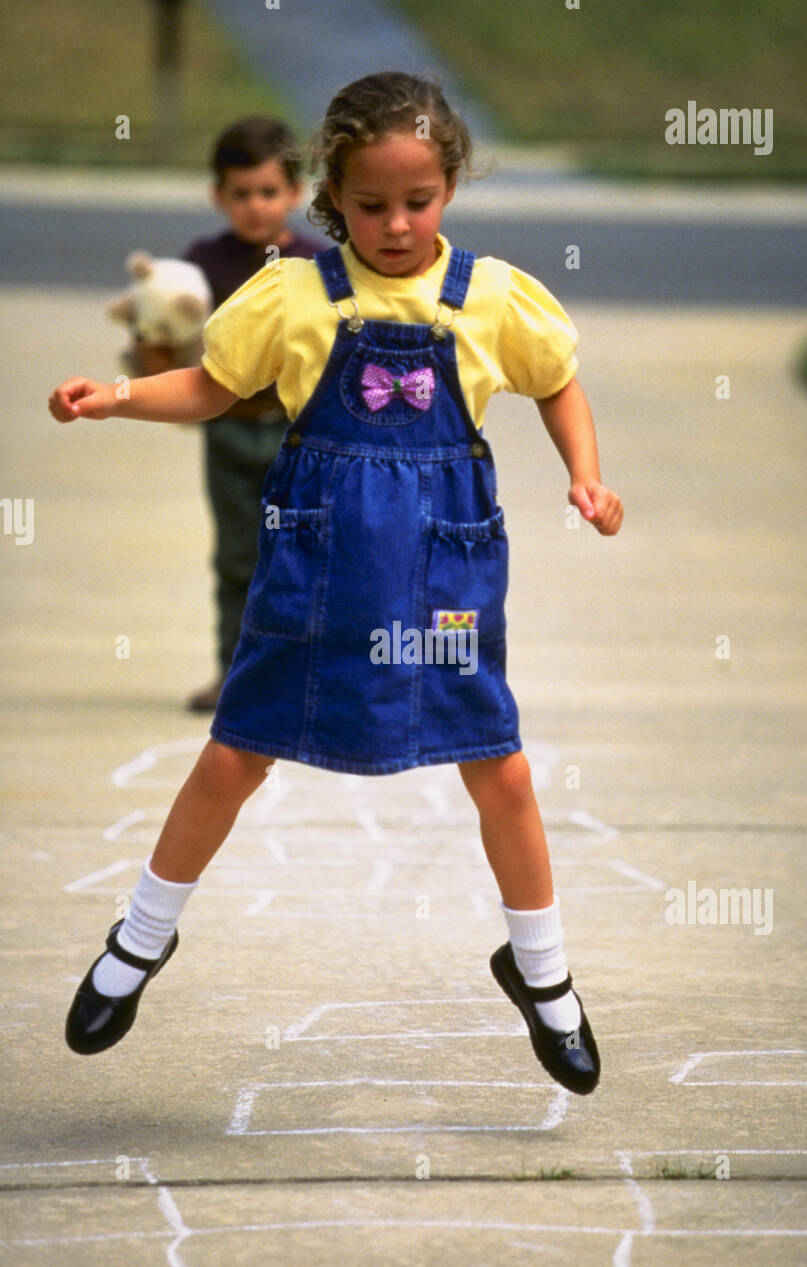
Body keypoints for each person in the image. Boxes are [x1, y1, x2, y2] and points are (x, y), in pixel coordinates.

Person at [48, 71, 623, 1096]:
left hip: (443, 575)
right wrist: (120, 394)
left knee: (501, 768)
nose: (396, 224)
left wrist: (586, 474)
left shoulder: (491, 295)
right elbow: (216, 383)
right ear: (332, 195)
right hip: (317, 573)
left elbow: (557, 378)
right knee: (233, 757)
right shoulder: (293, 293)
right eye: (370, 204)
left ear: (449, 184)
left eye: (418, 200)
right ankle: (139, 941)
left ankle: (543, 975)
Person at [133, 115, 325, 711]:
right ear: (219, 196)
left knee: (308, 560)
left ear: (296, 191)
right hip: (230, 436)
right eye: (240, 194)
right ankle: (234, 677)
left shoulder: (320, 267)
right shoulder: (196, 266)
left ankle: (308, 677)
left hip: (302, 439)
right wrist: (151, 345)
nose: (255, 206)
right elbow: (167, 349)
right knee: (238, 559)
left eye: (269, 192)